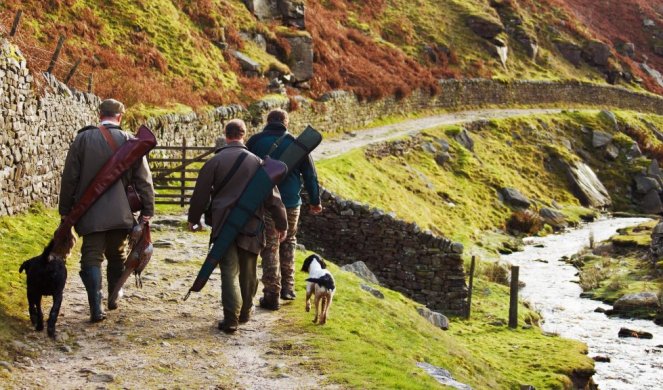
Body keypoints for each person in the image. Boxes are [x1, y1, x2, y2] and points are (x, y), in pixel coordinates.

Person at [59, 98, 155, 322]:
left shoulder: (83, 139)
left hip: (89, 213)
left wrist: (66, 212)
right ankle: (113, 296)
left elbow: (69, 178)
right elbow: (144, 180)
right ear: (120, 117)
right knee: (118, 254)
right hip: (121, 213)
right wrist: (148, 210)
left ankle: (96, 308)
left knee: (91, 257)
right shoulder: (130, 141)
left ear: (99, 113)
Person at [188, 119, 288, 333]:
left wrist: (194, 219)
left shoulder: (214, 162)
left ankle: (231, 319)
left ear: (226, 135)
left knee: (228, 272)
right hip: (251, 225)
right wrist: (282, 224)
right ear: (244, 135)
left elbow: (200, 194)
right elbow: (273, 198)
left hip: (223, 225)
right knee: (249, 272)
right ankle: (245, 312)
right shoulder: (258, 162)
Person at [246, 109, 322, 310]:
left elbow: (244, 168)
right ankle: (288, 288)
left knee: (270, 244)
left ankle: (272, 293)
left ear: (267, 121)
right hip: (291, 203)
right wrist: (315, 201)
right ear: (286, 123)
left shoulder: (254, 142)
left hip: (265, 201)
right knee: (289, 241)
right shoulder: (297, 144)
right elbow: (310, 176)